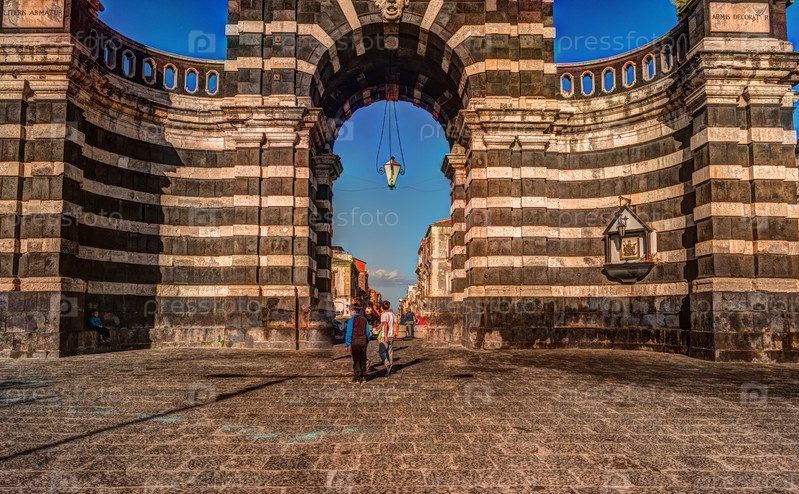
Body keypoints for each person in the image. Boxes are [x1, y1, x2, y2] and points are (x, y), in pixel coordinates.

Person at [344, 304, 370, 384]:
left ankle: (357, 378)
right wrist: (367, 341)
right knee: (363, 359)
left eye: (350, 311)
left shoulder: (352, 320)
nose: (350, 313)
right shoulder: (364, 319)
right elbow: (368, 332)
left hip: (355, 341)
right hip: (363, 341)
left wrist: (347, 344)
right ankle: (364, 376)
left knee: (356, 360)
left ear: (353, 311)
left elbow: (349, 333)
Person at [379, 301, 397, 375]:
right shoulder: (392, 314)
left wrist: (385, 336)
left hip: (385, 335)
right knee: (390, 351)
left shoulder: (383, 315)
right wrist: (396, 332)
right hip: (391, 335)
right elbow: (396, 323)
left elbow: (385, 325)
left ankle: (387, 363)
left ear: (382, 307)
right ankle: (390, 366)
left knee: (382, 351)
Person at [363, 304, 382, 371]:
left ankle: (366, 362)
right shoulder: (372, 316)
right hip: (369, 329)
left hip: (367, 329)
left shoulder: (366, 317)